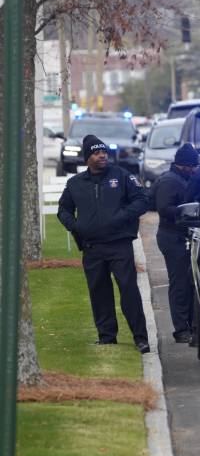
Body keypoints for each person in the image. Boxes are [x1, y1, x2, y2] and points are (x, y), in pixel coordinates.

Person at [57, 135, 151, 353]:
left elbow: (142, 200)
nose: (102, 156)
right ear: (87, 157)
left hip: (119, 245)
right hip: (92, 248)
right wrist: (76, 226)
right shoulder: (75, 184)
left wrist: (122, 217)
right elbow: (63, 210)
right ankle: (107, 336)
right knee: (99, 293)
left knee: (129, 291)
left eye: (104, 152)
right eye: (97, 153)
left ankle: (141, 338)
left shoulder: (122, 176)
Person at [152, 143, 200, 343]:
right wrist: (188, 211)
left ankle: (189, 325)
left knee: (188, 283)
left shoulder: (179, 178)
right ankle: (181, 329)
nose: (195, 169)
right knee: (180, 283)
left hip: (181, 237)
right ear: (184, 165)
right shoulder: (170, 182)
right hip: (173, 238)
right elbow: (164, 208)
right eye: (193, 166)